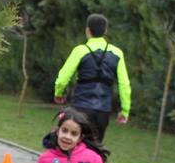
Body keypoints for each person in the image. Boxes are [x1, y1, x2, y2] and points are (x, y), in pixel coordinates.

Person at [53, 13, 131, 142]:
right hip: (102, 110)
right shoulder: (117, 53)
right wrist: (125, 110)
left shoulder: (80, 50)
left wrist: (59, 93)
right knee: (96, 148)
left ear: (87, 30)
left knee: (74, 145)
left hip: (80, 107)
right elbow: (124, 84)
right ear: (105, 30)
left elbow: (63, 78)